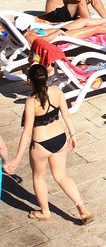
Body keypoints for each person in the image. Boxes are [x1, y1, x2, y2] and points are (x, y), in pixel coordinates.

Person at [6, 64, 92, 223]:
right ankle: (82, 207)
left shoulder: (31, 102)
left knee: (39, 178)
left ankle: (45, 212)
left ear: (29, 80)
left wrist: (16, 160)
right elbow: (66, 116)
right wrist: (73, 135)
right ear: (47, 76)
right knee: (61, 176)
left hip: (40, 144)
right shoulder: (57, 92)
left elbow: (27, 132)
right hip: (60, 138)